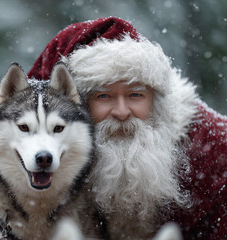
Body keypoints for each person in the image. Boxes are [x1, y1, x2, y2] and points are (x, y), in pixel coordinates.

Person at [28, 17, 227, 240]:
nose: (122, 112)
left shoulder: (214, 149)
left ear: (155, 101)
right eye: (104, 96)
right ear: (77, 106)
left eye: (136, 95)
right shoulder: (40, 156)